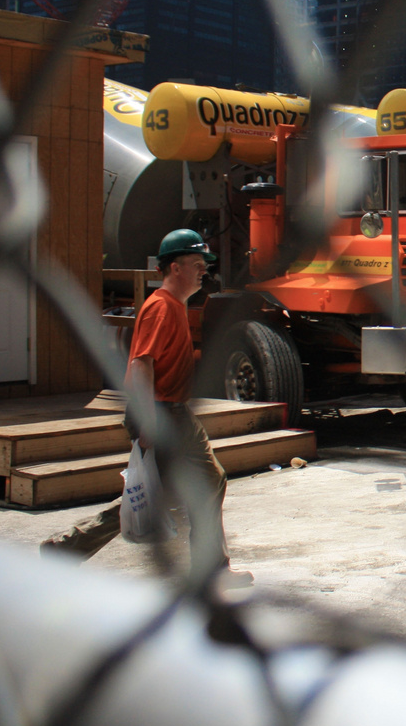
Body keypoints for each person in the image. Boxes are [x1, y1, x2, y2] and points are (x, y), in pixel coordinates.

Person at [42, 229, 252, 588]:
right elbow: (141, 365)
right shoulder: (160, 308)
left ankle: (211, 569)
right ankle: (68, 547)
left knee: (205, 480)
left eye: (205, 265)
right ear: (174, 268)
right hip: (159, 413)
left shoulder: (174, 305)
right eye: (197, 264)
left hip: (175, 412)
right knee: (150, 493)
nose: (204, 271)